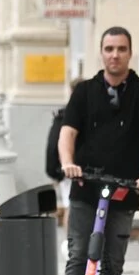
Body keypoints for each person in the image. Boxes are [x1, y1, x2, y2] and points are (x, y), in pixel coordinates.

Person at [57, 26, 139, 275]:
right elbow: (67, 134)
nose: (114, 54)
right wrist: (68, 163)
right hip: (86, 188)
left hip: (124, 190)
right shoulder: (85, 92)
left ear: (130, 53)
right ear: (101, 53)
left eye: (121, 49)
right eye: (109, 48)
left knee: (113, 262)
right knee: (78, 256)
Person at [45, 77, 83, 228]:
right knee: (71, 206)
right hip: (70, 170)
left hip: (67, 170)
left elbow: (51, 144)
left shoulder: (63, 114)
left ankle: (70, 243)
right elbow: (54, 144)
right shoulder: (66, 115)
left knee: (71, 206)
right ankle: (70, 243)